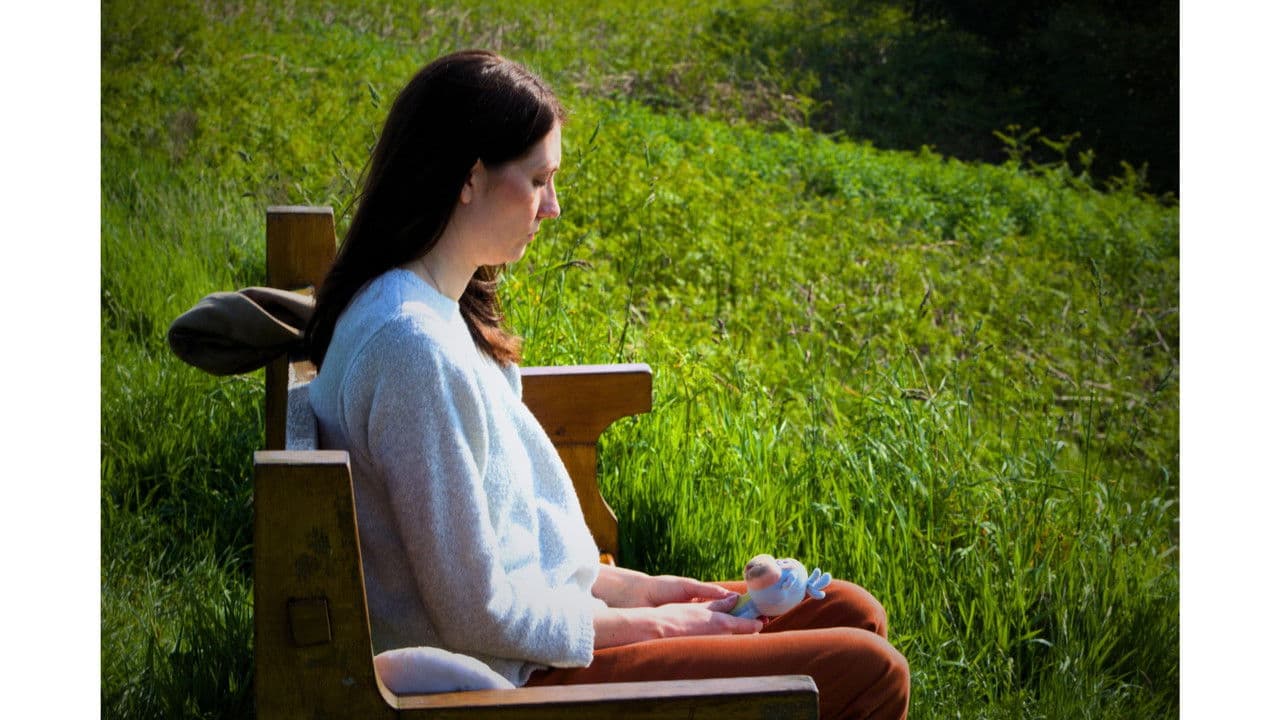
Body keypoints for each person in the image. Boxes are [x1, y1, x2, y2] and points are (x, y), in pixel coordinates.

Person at [305, 49, 910, 720]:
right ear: (469, 178)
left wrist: (641, 591)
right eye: (539, 180)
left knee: (849, 609)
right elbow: (476, 614)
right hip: (506, 683)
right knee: (869, 673)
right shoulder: (411, 347)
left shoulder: (433, 312)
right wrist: (657, 626)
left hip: (540, 638)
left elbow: (517, 555)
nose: (553, 207)